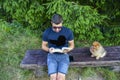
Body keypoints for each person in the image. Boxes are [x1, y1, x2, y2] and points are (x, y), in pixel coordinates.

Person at [42, 13, 74, 80]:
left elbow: (72, 45)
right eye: (54, 27)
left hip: (64, 56)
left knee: (61, 77)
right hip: (52, 56)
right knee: (53, 77)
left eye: (59, 27)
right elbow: (43, 46)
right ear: (51, 23)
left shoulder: (68, 32)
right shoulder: (47, 32)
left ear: (62, 22)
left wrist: (68, 49)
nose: (57, 30)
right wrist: (48, 50)